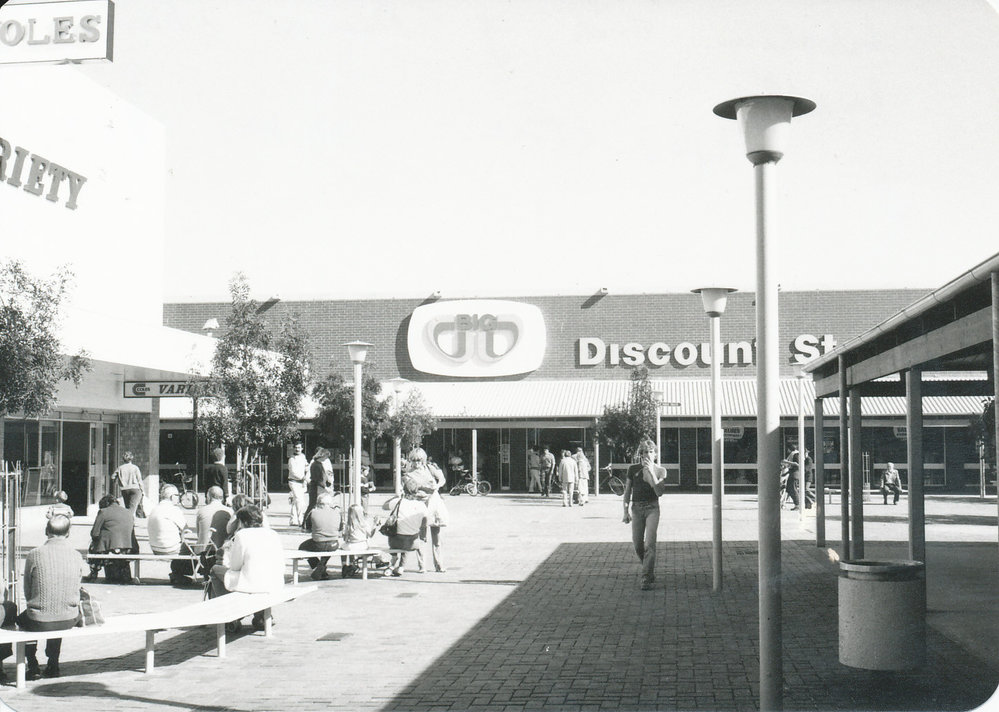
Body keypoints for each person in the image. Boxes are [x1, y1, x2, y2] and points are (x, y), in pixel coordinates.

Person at [0, 515, 85, 681]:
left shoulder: (34, 554)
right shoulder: (76, 555)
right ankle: (54, 663)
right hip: (68, 618)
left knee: (26, 620)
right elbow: (76, 587)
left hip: (38, 618)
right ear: (68, 533)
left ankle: (32, 665)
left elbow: (28, 590)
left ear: (47, 531)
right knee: (59, 610)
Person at [209, 505, 284, 630]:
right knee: (255, 577)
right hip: (274, 582)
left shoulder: (242, 535)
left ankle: (230, 615)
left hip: (252, 583)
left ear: (242, 521)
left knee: (215, 570)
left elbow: (235, 566)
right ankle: (260, 616)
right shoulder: (273, 534)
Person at [622, 439, 667, 591]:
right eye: (644, 452)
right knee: (637, 543)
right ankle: (648, 568)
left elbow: (659, 492)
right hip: (637, 508)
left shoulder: (661, 470)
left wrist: (652, 473)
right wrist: (625, 510)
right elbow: (627, 491)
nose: (647, 455)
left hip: (652, 508)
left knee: (650, 543)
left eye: (650, 452)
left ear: (655, 454)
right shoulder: (633, 469)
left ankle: (646, 577)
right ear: (640, 454)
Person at [148, 483, 196, 586]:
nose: (179, 499)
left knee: (183, 548)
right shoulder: (173, 510)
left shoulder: (155, 509)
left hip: (155, 548)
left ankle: (177, 574)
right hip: (170, 549)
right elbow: (186, 529)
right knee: (195, 550)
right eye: (177, 496)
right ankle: (178, 575)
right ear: (172, 497)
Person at [86, 494, 138, 583]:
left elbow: (94, 533)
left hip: (110, 548)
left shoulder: (103, 512)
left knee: (93, 544)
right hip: (129, 548)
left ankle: (94, 572)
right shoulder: (128, 512)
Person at [385, 474, 429, 576]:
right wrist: (423, 537)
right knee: (419, 540)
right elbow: (424, 524)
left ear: (404, 490)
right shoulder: (421, 506)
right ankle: (421, 566)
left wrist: (395, 497)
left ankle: (394, 559)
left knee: (399, 533)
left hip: (395, 542)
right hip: (412, 542)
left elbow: (384, 506)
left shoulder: (398, 502)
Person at [298, 492, 342, 580]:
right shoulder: (337, 512)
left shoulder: (313, 512)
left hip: (318, 543)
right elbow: (340, 529)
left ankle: (318, 567)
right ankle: (321, 567)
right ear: (330, 503)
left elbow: (306, 530)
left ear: (318, 503)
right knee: (328, 548)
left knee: (302, 547)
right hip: (334, 543)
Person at [303, 447, 332, 528]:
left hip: (318, 487)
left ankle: (307, 523)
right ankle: (306, 523)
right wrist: (325, 487)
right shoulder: (316, 465)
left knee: (313, 505)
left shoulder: (317, 464)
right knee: (312, 505)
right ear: (322, 455)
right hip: (316, 488)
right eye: (326, 457)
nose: (326, 459)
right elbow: (318, 479)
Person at [112, 451, 144, 516]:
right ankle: (130, 522)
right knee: (132, 507)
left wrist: (117, 482)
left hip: (124, 489)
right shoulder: (135, 467)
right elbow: (139, 480)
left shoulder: (120, 468)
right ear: (131, 458)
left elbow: (113, 477)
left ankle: (129, 520)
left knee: (127, 507)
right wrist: (142, 490)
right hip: (135, 488)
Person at [287, 442, 309, 526]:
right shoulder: (292, 459)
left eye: (299, 447)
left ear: (302, 448)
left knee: (296, 500)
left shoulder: (303, 457)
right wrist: (303, 478)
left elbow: (306, 466)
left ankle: (293, 520)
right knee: (299, 501)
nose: (297, 449)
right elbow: (293, 472)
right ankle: (301, 520)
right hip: (294, 482)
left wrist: (307, 473)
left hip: (302, 483)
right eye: (296, 447)